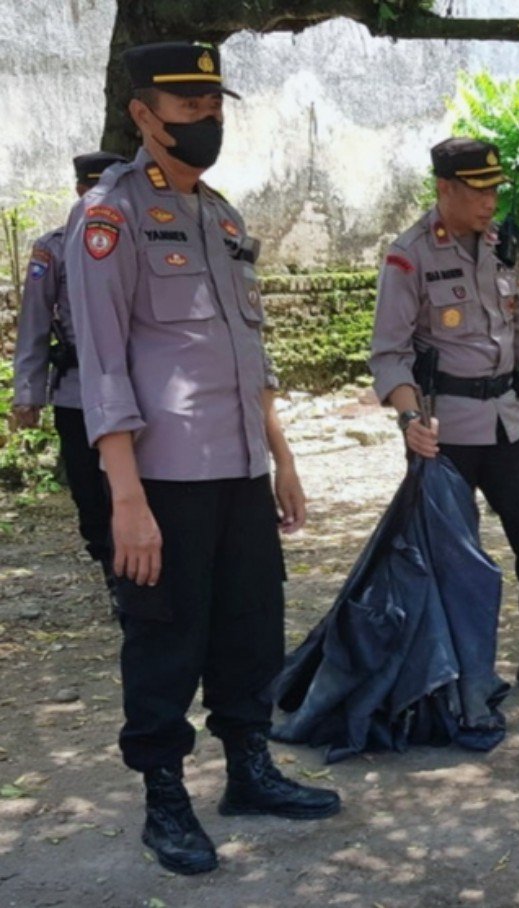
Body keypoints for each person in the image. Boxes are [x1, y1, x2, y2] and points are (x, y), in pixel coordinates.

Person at [65, 41, 340, 876]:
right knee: (165, 638)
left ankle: (248, 769)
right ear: (143, 116)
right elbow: (103, 368)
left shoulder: (222, 218)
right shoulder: (108, 218)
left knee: (251, 626)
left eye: (215, 105)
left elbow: (251, 354)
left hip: (240, 467)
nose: (207, 119)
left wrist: (281, 456)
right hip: (163, 478)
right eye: (189, 107)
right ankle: (165, 797)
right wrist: (126, 500)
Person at [369, 137, 519, 704]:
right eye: (478, 190)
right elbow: (389, 353)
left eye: (495, 189)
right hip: (442, 429)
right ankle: (455, 676)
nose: (490, 201)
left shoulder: (497, 246)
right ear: (444, 188)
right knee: (451, 559)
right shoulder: (409, 255)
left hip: (505, 421)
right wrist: (408, 418)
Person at [11, 151, 126, 599]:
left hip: (133, 389)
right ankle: (112, 571)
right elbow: (34, 323)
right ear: (79, 191)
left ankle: (135, 579)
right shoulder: (54, 248)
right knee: (89, 494)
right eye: (93, 189)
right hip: (77, 393)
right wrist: (28, 394)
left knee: (137, 488)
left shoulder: (134, 240)